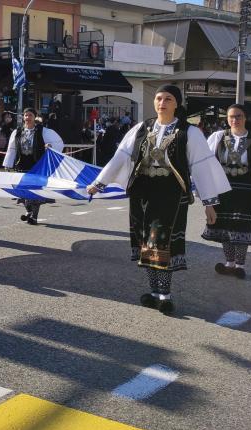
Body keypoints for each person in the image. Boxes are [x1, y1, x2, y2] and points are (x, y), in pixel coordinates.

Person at [87, 85, 230, 314]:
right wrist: (99, 183)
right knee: (146, 243)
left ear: (177, 104)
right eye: (159, 98)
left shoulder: (189, 132)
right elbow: (121, 155)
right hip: (142, 192)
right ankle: (154, 292)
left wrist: (209, 204)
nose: (162, 102)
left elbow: (202, 168)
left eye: (168, 99)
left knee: (160, 242)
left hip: (170, 194)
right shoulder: (142, 128)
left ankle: (165, 294)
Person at [201, 104, 251, 279]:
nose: (234, 120)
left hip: (245, 189)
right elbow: (205, 164)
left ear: (245, 117)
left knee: (240, 225)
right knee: (224, 224)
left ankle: (240, 264)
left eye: (238, 116)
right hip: (221, 188)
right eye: (231, 116)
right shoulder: (217, 137)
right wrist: (204, 189)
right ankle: (229, 263)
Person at [3, 107, 64, 224]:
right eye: (25, 115)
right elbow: (12, 148)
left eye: (30, 115)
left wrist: (50, 147)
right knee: (23, 191)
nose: (27, 117)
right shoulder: (17, 132)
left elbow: (59, 142)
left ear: (34, 117)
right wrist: (8, 164)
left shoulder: (43, 131)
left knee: (35, 192)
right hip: (21, 164)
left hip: (37, 165)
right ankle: (29, 211)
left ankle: (33, 216)